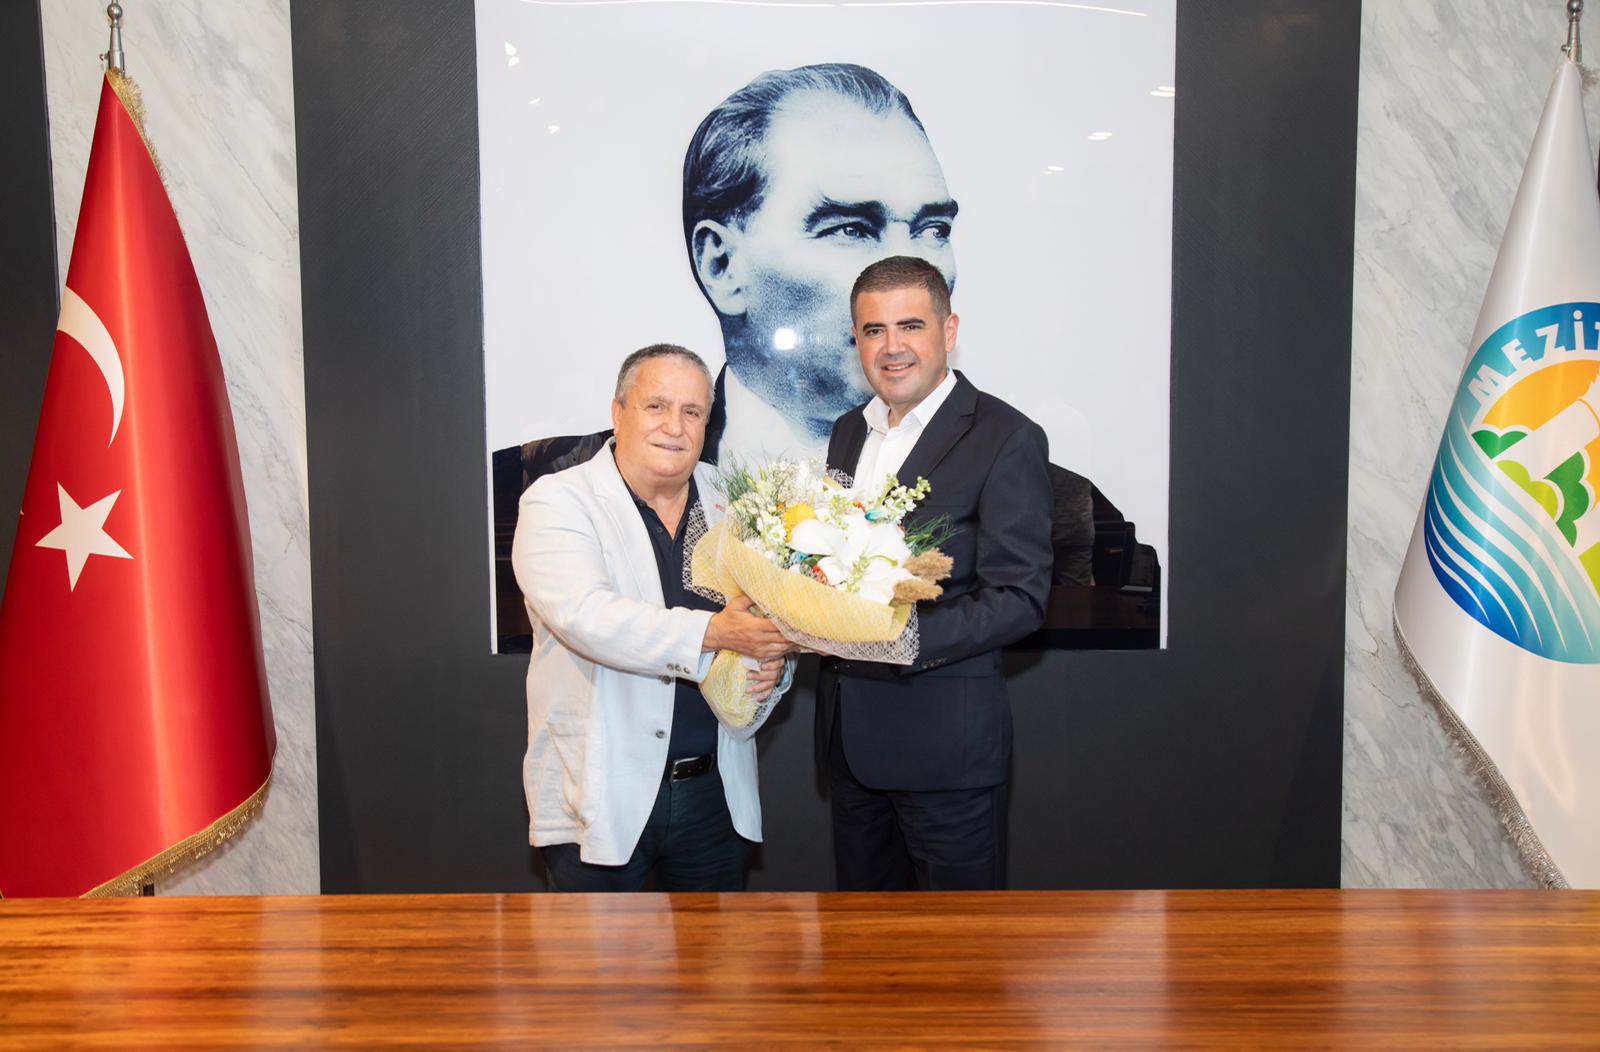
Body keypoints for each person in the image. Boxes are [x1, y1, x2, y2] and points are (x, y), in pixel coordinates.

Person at [511, 344, 793, 892]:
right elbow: (585, 616)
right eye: (656, 406)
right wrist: (715, 632)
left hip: (714, 798)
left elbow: (772, 612)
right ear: (618, 413)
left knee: (715, 950)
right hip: (601, 792)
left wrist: (773, 665)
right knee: (603, 952)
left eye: (692, 412)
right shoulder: (558, 501)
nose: (675, 427)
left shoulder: (738, 503)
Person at [817, 256, 1052, 891]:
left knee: (959, 944)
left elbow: (1020, 598)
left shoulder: (1007, 437)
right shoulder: (848, 432)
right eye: (873, 330)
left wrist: (897, 638)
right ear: (856, 339)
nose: (891, 347)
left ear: (949, 330)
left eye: (911, 326)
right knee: (862, 940)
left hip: (947, 754)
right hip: (850, 745)